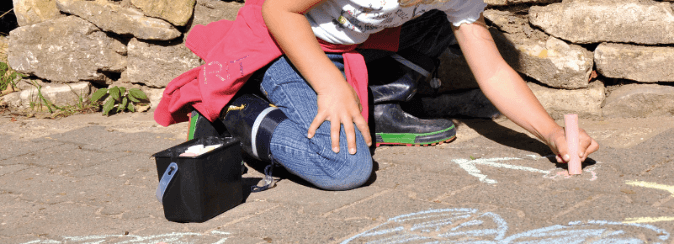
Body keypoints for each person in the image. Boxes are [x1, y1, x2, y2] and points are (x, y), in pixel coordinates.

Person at [155, 0, 599, 191]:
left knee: (444, 23)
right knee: (343, 168)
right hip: (280, 44)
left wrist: (551, 134)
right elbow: (278, 9)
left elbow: (494, 71)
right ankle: (233, 107)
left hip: (341, 50)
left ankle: (376, 107)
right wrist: (331, 87)